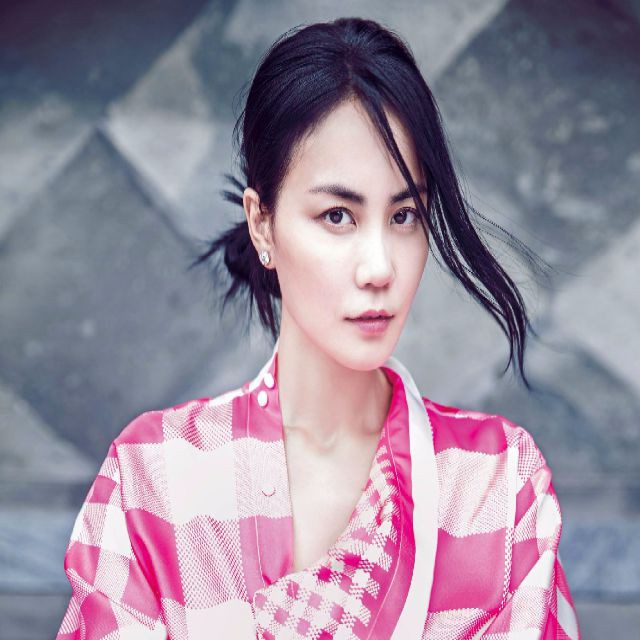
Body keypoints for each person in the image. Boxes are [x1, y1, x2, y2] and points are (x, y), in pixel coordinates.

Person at [55, 16, 581, 640]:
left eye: (405, 215)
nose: (379, 267)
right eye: (337, 215)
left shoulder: (496, 482)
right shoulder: (156, 477)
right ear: (262, 223)